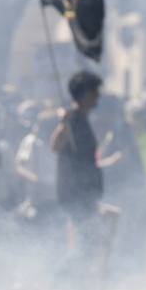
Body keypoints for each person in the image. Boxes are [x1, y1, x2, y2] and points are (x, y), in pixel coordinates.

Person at [50, 71, 105, 270]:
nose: (98, 97)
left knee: (89, 244)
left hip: (85, 193)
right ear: (85, 94)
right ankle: (59, 279)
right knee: (86, 245)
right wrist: (63, 123)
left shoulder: (83, 119)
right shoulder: (72, 119)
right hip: (76, 193)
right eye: (95, 92)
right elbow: (55, 146)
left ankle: (75, 287)